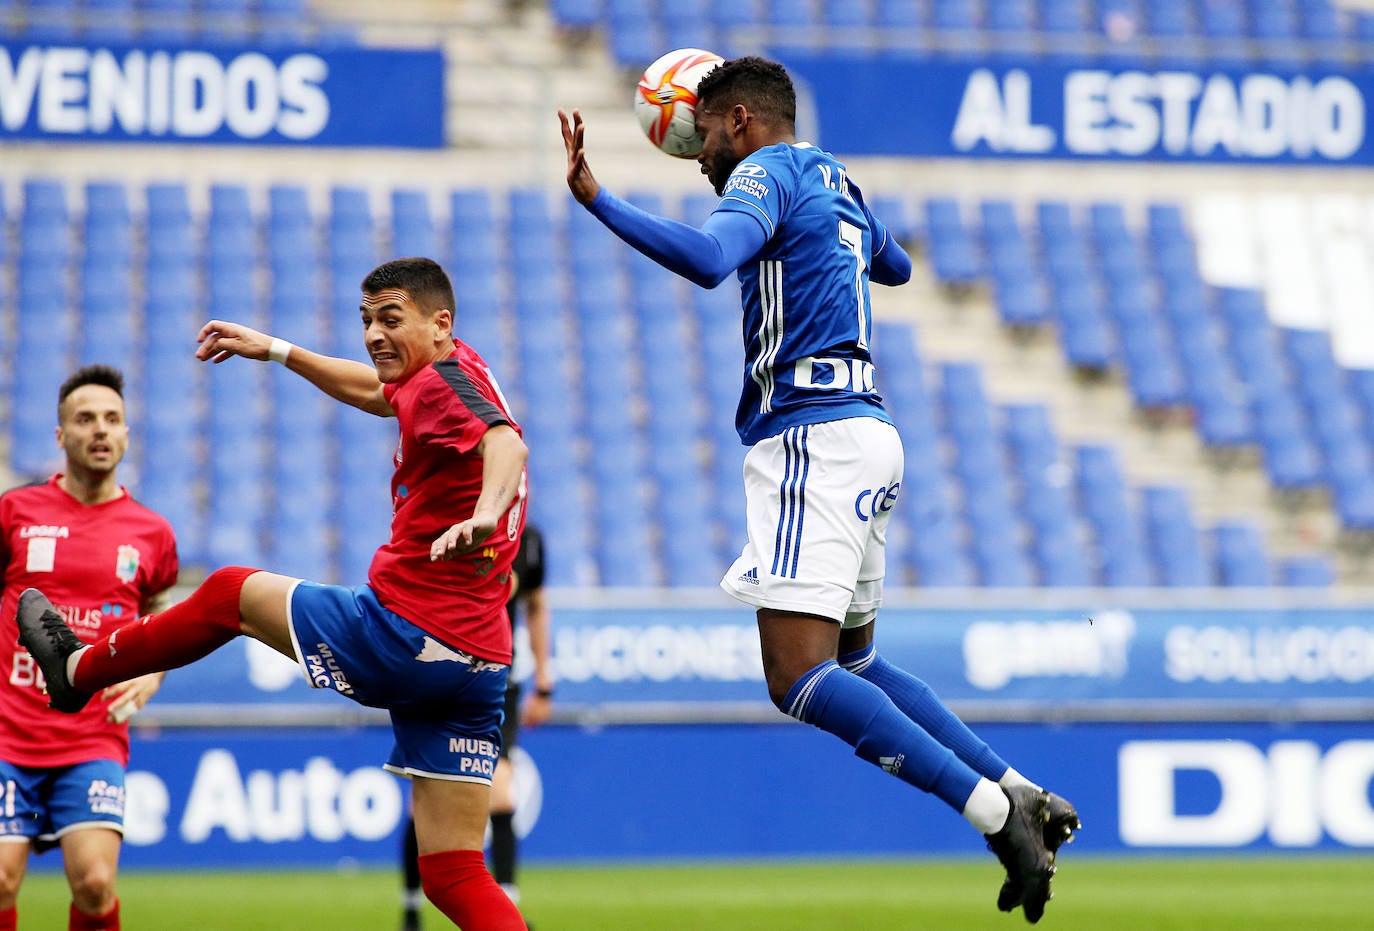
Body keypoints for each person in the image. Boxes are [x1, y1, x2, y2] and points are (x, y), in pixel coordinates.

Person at [559, 57, 1080, 923]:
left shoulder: (765, 167)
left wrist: (599, 200)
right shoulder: (831, 174)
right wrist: (839, 233)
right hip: (870, 430)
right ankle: (1023, 786)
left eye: (701, 139)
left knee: (797, 677)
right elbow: (900, 266)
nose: (699, 164)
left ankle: (997, 814)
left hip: (810, 435)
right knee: (857, 662)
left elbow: (706, 257)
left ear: (739, 122)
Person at [16, 258, 530, 931]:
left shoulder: (441, 384)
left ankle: (77, 669)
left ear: (440, 322)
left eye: (389, 318)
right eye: (366, 319)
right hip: (480, 660)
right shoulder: (452, 368)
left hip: (407, 633)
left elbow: (506, 445)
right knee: (453, 870)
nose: (373, 334)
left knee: (229, 591)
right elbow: (384, 394)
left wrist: (487, 510)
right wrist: (280, 350)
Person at [0, 365, 178, 931]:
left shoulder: (152, 532)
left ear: (126, 434)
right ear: (60, 436)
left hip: (92, 734)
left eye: (111, 419)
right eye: (84, 419)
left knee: (96, 884)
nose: (99, 430)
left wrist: (152, 674)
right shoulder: (15, 513)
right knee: (1, 877)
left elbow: (161, 617)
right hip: (8, 728)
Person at [402, 525, 552, 931]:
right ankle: (412, 908)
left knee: (502, 794)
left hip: (496, 677)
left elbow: (535, 604)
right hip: (438, 672)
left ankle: (507, 906)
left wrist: (544, 681)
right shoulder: (448, 526)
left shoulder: (530, 539)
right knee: (424, 801)